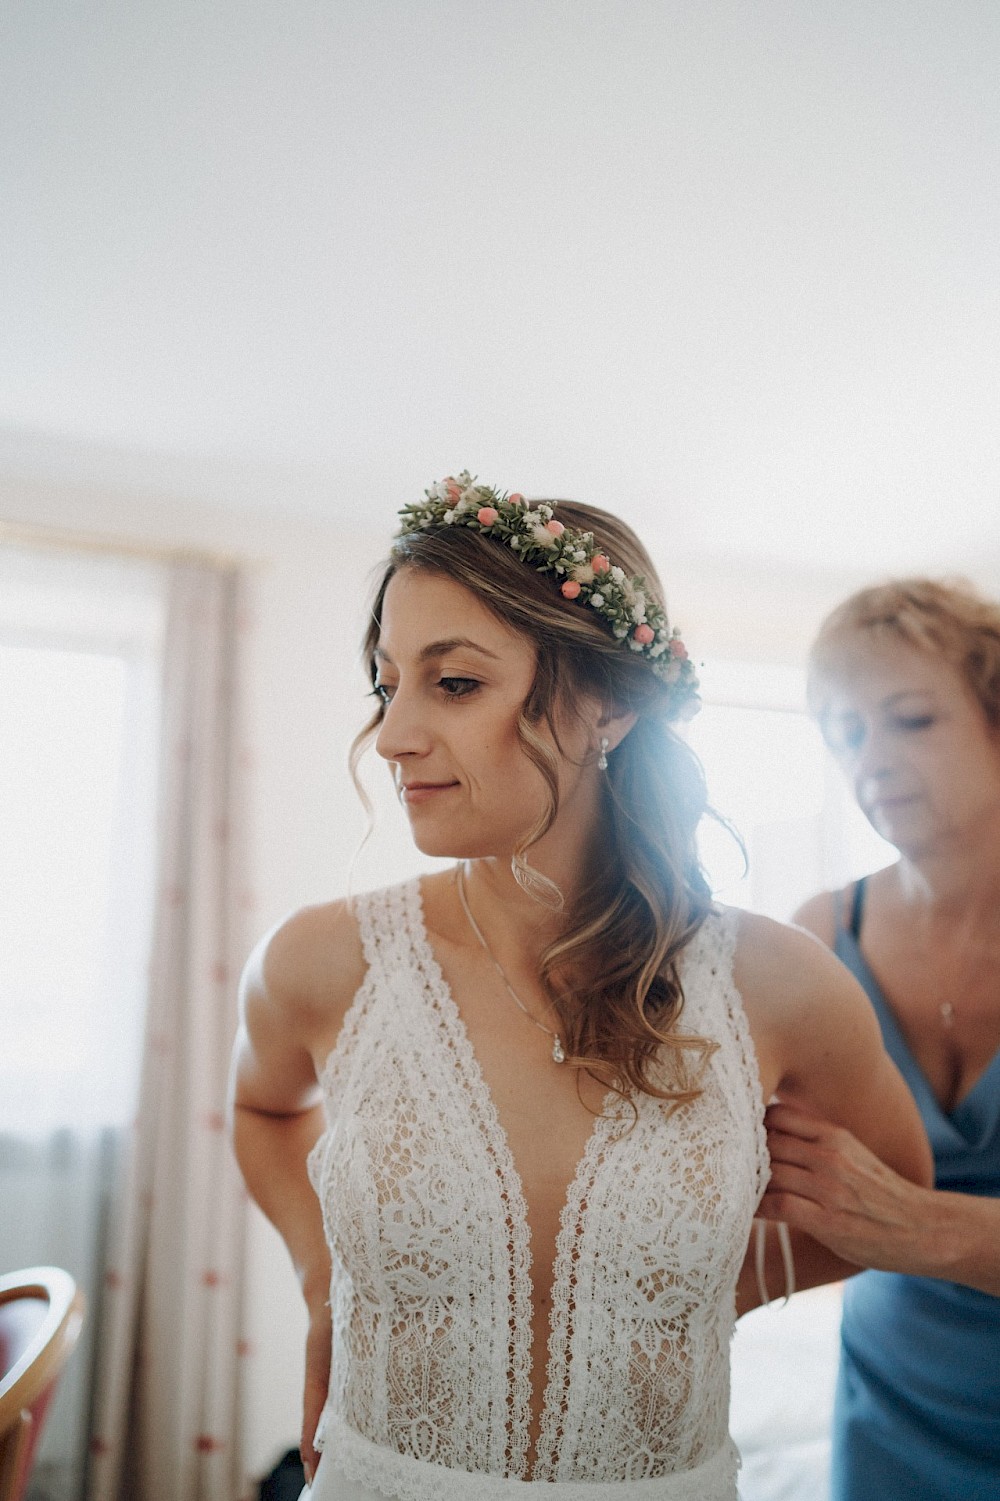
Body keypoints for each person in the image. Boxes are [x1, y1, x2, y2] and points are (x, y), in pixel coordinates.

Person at [229, 475, 929, 1501]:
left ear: (607, 704)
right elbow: (262, 1106)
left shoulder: (777, 984)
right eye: (389, 685)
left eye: (454, 684)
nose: (392, 736)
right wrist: (321, 1279)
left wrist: (678, 1297)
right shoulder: (322, 961)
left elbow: (885, 1202)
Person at [759, 577, 1000, 1501]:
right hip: (892, 1416)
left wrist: (921, 1227)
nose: (875, 761)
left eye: (911, 720)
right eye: (847, 732)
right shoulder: (821, 931)